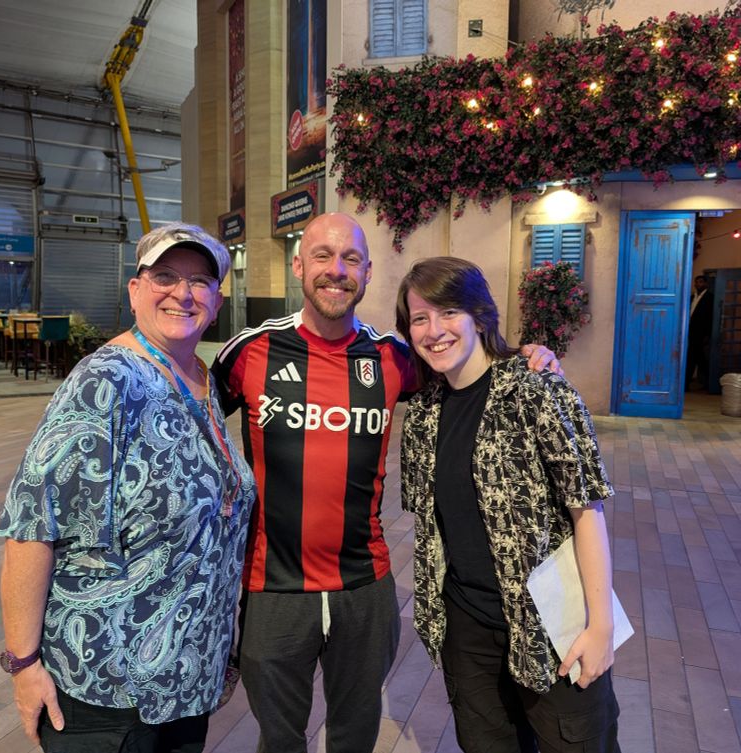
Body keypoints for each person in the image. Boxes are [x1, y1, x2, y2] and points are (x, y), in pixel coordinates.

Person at [212, 212, 559, 753]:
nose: (336, 270)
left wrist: (526, 356)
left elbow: (469, 368)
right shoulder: (249, 351)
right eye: (323, 256)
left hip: (365, 586)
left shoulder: (394, 358)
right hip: (272, 587)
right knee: (279, 739)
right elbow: (187, 406)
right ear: (299, 265)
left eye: (350, 258)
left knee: (355, 734)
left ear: (367, 272)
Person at [0, 223, 256, 753]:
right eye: (166, 276)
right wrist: (23, 663)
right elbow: (32, 527)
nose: (183, 293)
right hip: (107, 687)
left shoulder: (199, 376)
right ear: (135, 290)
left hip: (186, 679)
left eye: (200, 281)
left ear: (217, 301)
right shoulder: (104, 382)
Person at [396, 256, 620, 753]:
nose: (434, 331)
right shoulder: (424, 413)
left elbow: (586, 511)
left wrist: (601, 625)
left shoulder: (536, 388)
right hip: (468, 628)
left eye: (449, 312)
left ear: (479, 315)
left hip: (554, 623)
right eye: (420, 318)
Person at [686, 274, 714, 390]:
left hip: (701, 333)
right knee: (697, 357)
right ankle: (709, 383)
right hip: (690, 331)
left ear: (706, 284)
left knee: (693, 357)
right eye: (697, 282)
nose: (698, 284)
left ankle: (687, 383)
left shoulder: (710, 298)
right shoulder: (692, 297)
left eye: (701, 282)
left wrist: (707, 334)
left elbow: (710, 318)